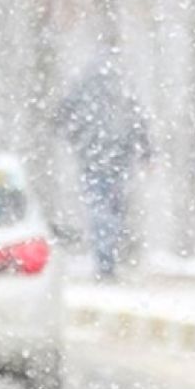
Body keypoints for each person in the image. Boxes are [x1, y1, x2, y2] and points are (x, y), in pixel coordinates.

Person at [55, 51, 151, 281]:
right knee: (113, 207)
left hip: (91, 156)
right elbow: (136, 118)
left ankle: (104, 258)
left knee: (98, 207)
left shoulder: (84, 84)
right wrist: (146, 151)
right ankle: (108, 256)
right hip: (118, 156)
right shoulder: (120, 85)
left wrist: (73, 136)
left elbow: (63, 114)